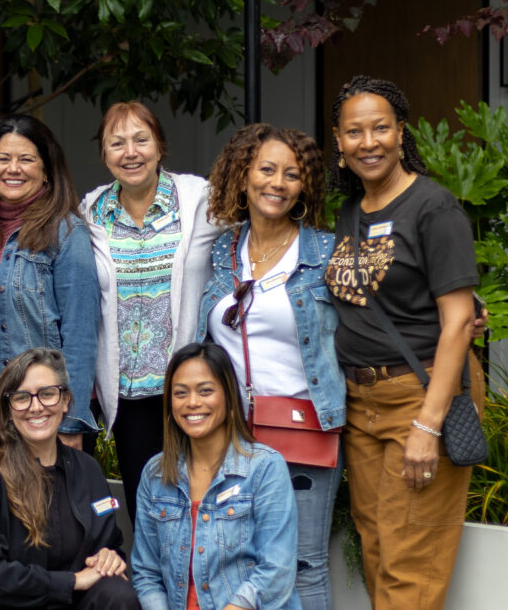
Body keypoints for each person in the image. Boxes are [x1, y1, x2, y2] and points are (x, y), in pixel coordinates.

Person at [324, 76, 484, 610]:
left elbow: (458, 321)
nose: (368, 142)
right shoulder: (352, 210)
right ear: (338, 142)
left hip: (417, 396)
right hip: (361, 404)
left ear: (400, 133)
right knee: (377, 549)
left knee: (409, 563)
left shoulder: (433, 209)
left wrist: (426, 426)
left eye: (380, 128)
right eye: (354, 131)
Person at [197, 123, 344, 609]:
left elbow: (378, 309)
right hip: (230, 433)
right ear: (243, 176)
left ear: (305, 187)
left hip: (303, 428)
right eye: (266, 169)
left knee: (302, 565)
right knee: (237, 560)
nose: (277, 183)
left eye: (292, 174)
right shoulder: (222, 250)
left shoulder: (323, 251)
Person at [79, 101, 217, 521]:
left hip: (192, 389)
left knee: (201, 508)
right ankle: (156, 589)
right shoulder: (90, 213)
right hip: (130, 396)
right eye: (116, 143)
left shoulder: (201, 201)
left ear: (160, 146)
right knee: (149, 515)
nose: (130, 152)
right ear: (104, 155)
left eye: (141, 139)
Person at [0, 114, 100, 449]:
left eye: (26, 159)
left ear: (47, 170)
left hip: (43, 415)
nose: (13, 168)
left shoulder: (65, 233)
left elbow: (80, 335)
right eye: (3, 159)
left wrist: (71, 423)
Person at [0, 348, 140, 610]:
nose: (36, 406)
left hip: (72, 603)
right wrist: (71, 581)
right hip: (4, 605)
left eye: (48, 394)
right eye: (22, 397)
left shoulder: (88, 470)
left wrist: (110, 558)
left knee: (118, 594)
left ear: (65, 401)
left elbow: (110, 545)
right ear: (8, 409)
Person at [132, 342, 300, 610]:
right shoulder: (155, 474)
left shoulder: (265, 467)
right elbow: (146, 574)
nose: (192, 402)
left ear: (229, 397)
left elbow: (276, 571)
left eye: (205, 390)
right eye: (180, 393)